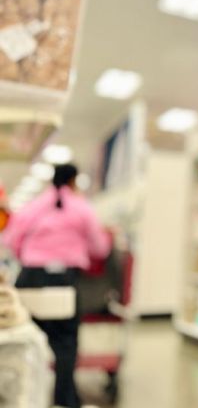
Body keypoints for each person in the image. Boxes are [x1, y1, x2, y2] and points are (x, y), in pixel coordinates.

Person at [3, 163, 111, 408]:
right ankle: (65, 400)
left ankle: (25, 398)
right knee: (65, 345)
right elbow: (100, 247)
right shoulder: (82, 208)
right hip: (63, 281)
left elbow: (11, 240)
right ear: (73, 181)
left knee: (26, 340)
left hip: (31, 278)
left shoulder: (34, 207)